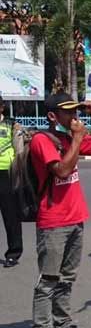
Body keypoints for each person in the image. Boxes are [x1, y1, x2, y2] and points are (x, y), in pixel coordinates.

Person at [30, 93, 91, 328]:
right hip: (53, 220)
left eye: (75, 111)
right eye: (67, 112)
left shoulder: (69, 138)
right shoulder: (42, 140)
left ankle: (62, 323)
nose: (73, 116)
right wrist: (77, 138)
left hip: (76, 217)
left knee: (67, 278)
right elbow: (62, 171)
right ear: (53, 116)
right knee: (49, 279)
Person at [0, 95, 22, 267]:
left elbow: (19, 151)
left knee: (10, 216)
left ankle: (13, 253)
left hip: (7, 175)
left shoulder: (12, 125)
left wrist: (19, 174)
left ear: (1, 107)